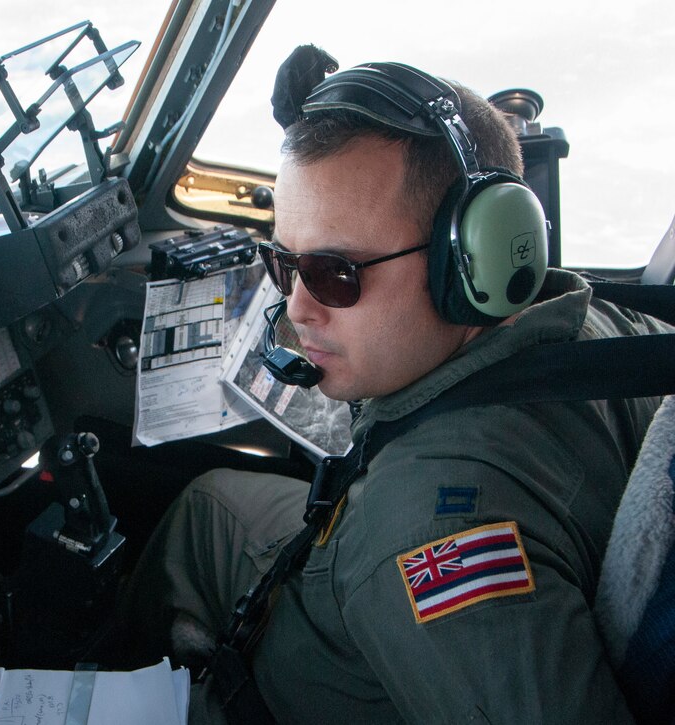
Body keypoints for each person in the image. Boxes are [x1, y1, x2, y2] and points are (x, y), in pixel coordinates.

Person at [121, 51, 671, 724]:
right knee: (206, 506)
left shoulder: (417, 532)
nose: (296, 308)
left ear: (470, 262)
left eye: (334, 273)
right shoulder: (609, 327)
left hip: (315, 668)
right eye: (282, 262)